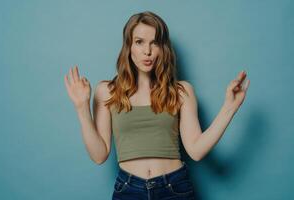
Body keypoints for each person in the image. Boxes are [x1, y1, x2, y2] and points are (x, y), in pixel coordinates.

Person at [64, 11, 250, 200]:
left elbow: (196, 150)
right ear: (128, 47)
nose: (147, 51)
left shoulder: (180, 91)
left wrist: (230, 107)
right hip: (129, 190)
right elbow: (99, 155)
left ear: (163, 48)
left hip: (175, 188)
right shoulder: (107, 91)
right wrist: (82, 108)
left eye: (155, 42)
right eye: (139, 42)